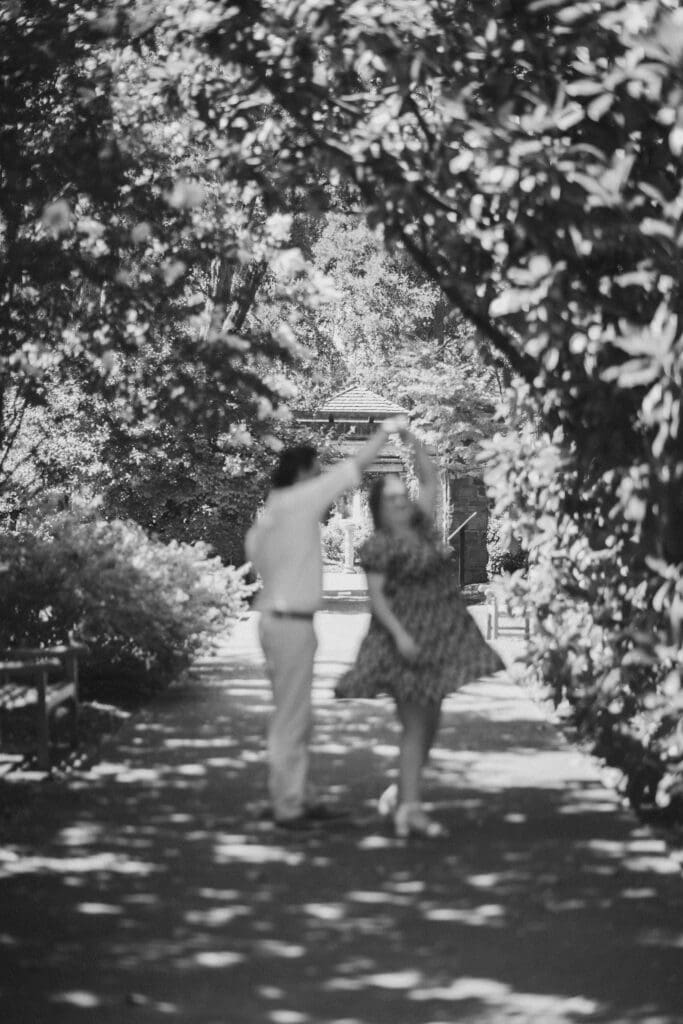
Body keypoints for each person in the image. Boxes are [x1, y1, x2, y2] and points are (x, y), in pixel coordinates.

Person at [335, 428, 505, 838]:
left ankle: (401, 794)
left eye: (402, 496)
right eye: (391, 499)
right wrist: (401, 637)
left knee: (429, 725)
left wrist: (413, 443)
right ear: (379, 507)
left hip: (439, 637)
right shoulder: (379, 546)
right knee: (415, 725)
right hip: (402, 642)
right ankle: (409, 811)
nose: (400, 502)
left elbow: (429, 481)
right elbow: (377, 599)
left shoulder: (423, 529)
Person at [245, 417, 407, 829]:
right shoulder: (299, 499)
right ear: (302, 473)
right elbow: (355, 466)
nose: (320, 477)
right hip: (292, 624)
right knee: (291, 718)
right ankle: (288, 805)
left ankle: (297, 794)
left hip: (274, 621)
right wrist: (386, 431)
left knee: (292, 714)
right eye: (316, 470)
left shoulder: (268, 516)